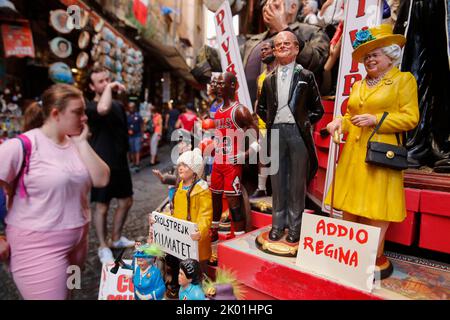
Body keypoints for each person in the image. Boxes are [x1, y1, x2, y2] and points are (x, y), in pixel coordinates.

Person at [324, 24, 419, 278]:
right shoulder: (358, 85)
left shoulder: (403, 80)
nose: (369, 60)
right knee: (350, 205)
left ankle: (371, 256)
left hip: (380, 156)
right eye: (366, 56)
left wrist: (376, 120)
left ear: (390, 55)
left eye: (374, 54)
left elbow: (411, 118)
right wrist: (338, 124)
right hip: (354, 156)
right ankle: (348, 251)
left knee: (376, 207)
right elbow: (349, 116)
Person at [0, 84, 110, 299]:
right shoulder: (21, 145)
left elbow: (102, 179)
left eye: (84, 112)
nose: (84, 118)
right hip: (38, 247)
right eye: (77, 112)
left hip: (79, 244)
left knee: (71, 292)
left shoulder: (75, 143)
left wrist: (81, 142)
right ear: (55, 114)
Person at [257, 31, 324, 246]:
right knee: (277, 181)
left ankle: (295, 226)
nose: (283, 47)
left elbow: (318, 109)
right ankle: (277, 224)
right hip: (276, 132)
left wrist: (302, 122)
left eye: (287, 44)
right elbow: (261, 108)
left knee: (296, 182)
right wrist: (272, 121)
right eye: (278, 45)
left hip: (297, 134)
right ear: (274, 51)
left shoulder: (306, 76)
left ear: (296, 48)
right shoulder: (268, 80)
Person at [86, 66, 135, 265]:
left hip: (120, 162)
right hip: (101, 163)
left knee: (126, 201)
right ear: (92, 86)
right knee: (102, 207)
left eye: (107, 79)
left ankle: (115, 238)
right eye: (100, 82)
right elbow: (102, 109)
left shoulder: (117, 105)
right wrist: (110, 87)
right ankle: (102, 246)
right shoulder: (90, 107)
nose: (106, 83)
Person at [243, 0, 329, 106]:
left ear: (292, 7)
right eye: (266, 3)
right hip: (246, 116)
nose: (268, 5)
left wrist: (282, 28)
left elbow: (315, 62)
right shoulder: (252, 42)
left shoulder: (312, 32)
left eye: (274, 1)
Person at [210, 72, 259, 242]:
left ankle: (238, 236)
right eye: (217, 84)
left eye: (222, 84)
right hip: (218, 162)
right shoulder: (217, 112)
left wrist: (245, 155)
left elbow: (258, 137)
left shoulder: (240, 111)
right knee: (215, 197)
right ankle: (214, 230)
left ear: (232, 86)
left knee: (233, 201)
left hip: (232, 164)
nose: (218, 87)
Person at [163, 147, 212, 298]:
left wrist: (200, 231)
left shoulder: (202, 190)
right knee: (179, 263)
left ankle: (198, 288)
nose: (180, 168)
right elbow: (175, 210)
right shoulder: (179, 188)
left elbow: (206, 215)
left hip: (194, 238)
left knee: (197, 266)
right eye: (180, 165)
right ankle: (179, 287)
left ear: (194, 169)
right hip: (181, 238)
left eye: (185, 165)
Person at [251, 39, 278, 199]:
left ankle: (277, 190)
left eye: (266, 49)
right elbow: (257, 99)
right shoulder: (261, 77)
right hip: (262, 123)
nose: (263, 52)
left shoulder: (281, 72)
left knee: (278, 156)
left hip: (278, 122)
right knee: (263, 156)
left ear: (274, 51)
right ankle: (262, 188)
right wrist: (255, 117)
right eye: (261, 50)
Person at [126, 101, 143, 172]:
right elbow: (125, 125)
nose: (131, 108)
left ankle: (137, 163)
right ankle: (133, 162)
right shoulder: (127, 116)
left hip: (137, 135)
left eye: (132, 107)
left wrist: (142, 135)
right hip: (130, 136)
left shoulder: (138, 116)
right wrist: (128, 130)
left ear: (134, 107)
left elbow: (142, 125)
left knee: (137, 149)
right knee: (132, 150)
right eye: (130, 107)